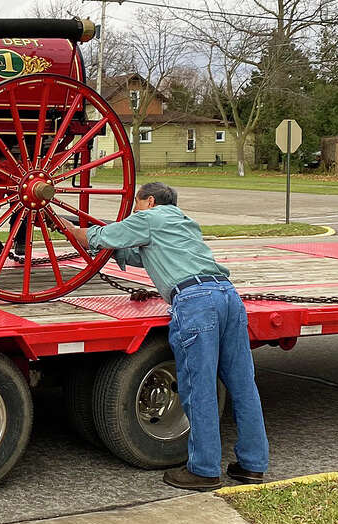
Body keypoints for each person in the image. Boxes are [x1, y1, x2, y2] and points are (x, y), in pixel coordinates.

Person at [64, 182, 269, 491]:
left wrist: (66, 226)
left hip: (196, 303)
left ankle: (204, 470)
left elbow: (100, 236)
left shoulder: (149, 218)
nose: (134, 211)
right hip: (228, 296)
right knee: (243, 386)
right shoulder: (184, 223)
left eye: (136, 205)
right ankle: (253, 465)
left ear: (149, 201)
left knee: (199, 388)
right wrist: (111, 245)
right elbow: (137, 254)